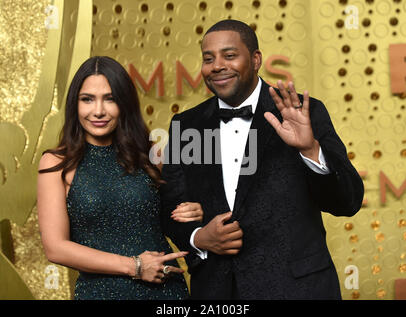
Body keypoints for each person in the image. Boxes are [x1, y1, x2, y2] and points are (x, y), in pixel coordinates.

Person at [160, 20, 364, 299]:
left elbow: (347, 202)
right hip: (218, 293)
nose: (217, 65)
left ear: (255, 59)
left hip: (298, 290)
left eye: (230, 56)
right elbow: (169, 205)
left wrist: (310, 149)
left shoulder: (303, 113)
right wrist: (199, 238)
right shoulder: (187, 125)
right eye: (209, 59)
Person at [37, 56, 203, 300]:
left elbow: (174, 217)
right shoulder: (56, 163)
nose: (98, 111)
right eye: (87, 100)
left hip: (166, 293)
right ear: (75, 104)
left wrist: (195, 211)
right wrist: (135, 266)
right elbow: (56, 248)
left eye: (110, 99)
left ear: (124, 103)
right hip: (99, 294)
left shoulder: (151, 155)